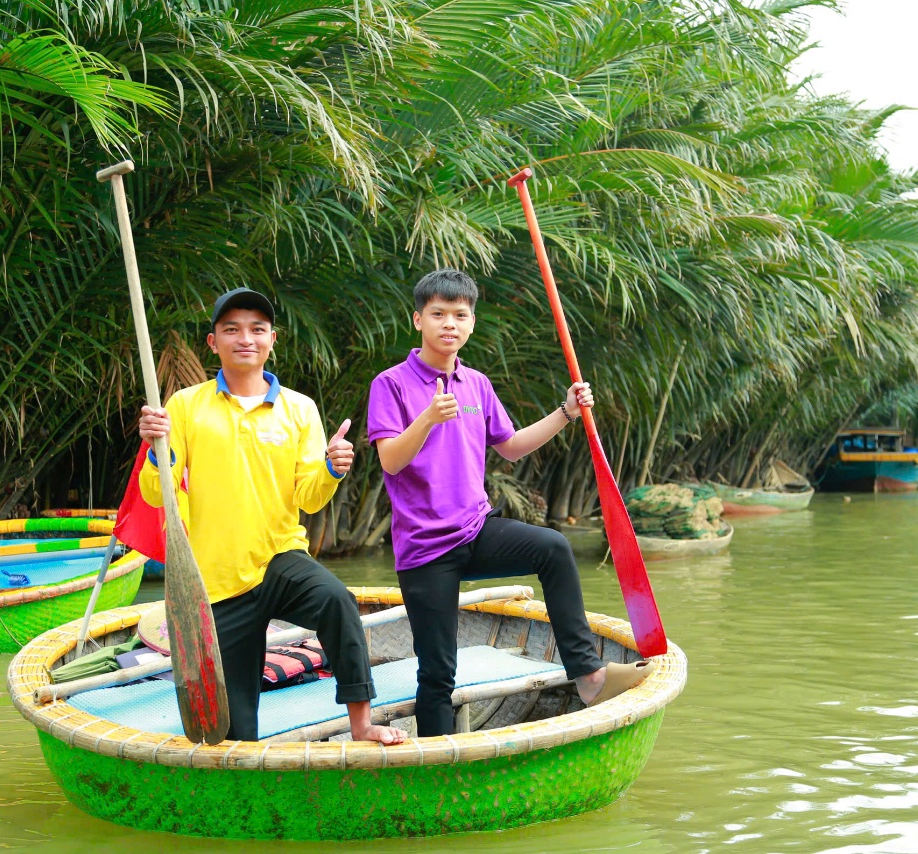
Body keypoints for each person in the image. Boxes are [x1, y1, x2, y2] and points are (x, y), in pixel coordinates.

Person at [368, 269, 652, 737]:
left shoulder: (476, 383)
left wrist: (566, 412)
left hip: (475, 529)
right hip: (424, 550)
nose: (449, 324)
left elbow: (512, 446)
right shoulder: (392, 384)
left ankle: (588, 676)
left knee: (553, 548)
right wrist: (426, 420)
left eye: (460, 315)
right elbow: (391, 462)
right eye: (438, 314)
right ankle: (437, 764)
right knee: (438, 671)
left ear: (472, 323)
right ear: (418, 320)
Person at [137, 287, 406, 745]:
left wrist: (331, 468)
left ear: (272, 339)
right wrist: (154, 448)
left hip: (279, 558)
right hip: (215, 580)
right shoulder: (184, 406)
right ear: (213, 342)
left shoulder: (299, 408)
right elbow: (155, 493)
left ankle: (362, 725)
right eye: (232, 330)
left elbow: (310, 497)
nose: (246, 338)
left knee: (337, 601)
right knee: (236, 731)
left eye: (257, 329)